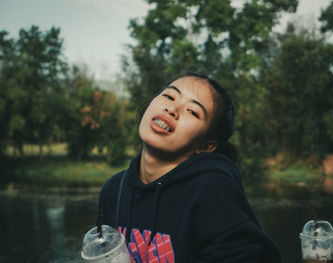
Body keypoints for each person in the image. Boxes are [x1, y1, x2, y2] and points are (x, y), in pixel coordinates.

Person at [97, 72, 281, 263]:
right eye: (169, 96)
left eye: (192, 111)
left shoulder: (212, 191)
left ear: (205, 147)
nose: (172, 109)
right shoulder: (114, 190)